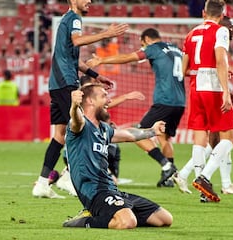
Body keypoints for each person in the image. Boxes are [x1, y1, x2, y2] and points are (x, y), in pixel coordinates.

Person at [32, 0, 128, 199]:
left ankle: (42, 183)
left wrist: (96, 75)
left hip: (57, 84)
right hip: (67, 82)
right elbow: (77, 41)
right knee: (84, 127)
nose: (90, 1)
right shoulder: (74, 18)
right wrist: (106, 34)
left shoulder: (66, 20)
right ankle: (68, 176)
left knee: (59, 134)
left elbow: (73, 59)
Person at [63, 83, 173, 229]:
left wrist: (152, 131)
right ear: (90, 101)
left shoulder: (104, 129)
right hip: (94, 193)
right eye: (104, 96)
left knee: (164, 219)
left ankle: (115, 212)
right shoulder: (80, 125)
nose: (109, 101)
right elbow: (76, 120)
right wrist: (75, 106)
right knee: (127, 222)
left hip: (111, 189)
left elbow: (129, 135)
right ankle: (84, 220)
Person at [86, 28, 185, 187]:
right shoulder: (176, 49)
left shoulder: (154, 48)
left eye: (141, 44)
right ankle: (168, 179)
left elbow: (128, 57)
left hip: (164, 99)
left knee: (139, 132)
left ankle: (167, 167)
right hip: (180, 101)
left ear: (146, 39)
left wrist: (101, 60)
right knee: (164, 137)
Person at [173, 15, 233, 201]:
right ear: (220, 17)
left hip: (195, 88)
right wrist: (225, 91)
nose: (232, 29)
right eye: (229, 25)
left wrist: (203, 70)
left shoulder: (191, 33)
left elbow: (183, 71)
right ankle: (205, 178)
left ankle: (202, 188)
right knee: (227, 138)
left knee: (201, 138)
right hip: (212, 89)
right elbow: (220, 61)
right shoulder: (218, 33)